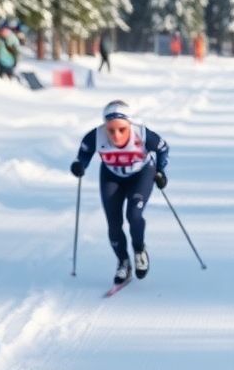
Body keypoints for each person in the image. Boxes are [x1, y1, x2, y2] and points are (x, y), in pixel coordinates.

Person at [70, 100, 170, 285]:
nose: (116, 135)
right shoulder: (96, 136)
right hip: (112, 176)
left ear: (130, 125)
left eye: (122, 129)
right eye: (111, 129)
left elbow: (163, 149)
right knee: (114, 225)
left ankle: (139, 250)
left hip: (140, 175)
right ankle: (123, 261)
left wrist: (161, 171)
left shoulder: (142, 134)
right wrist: (79, 165)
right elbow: (83, 155)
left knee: (134, 214)